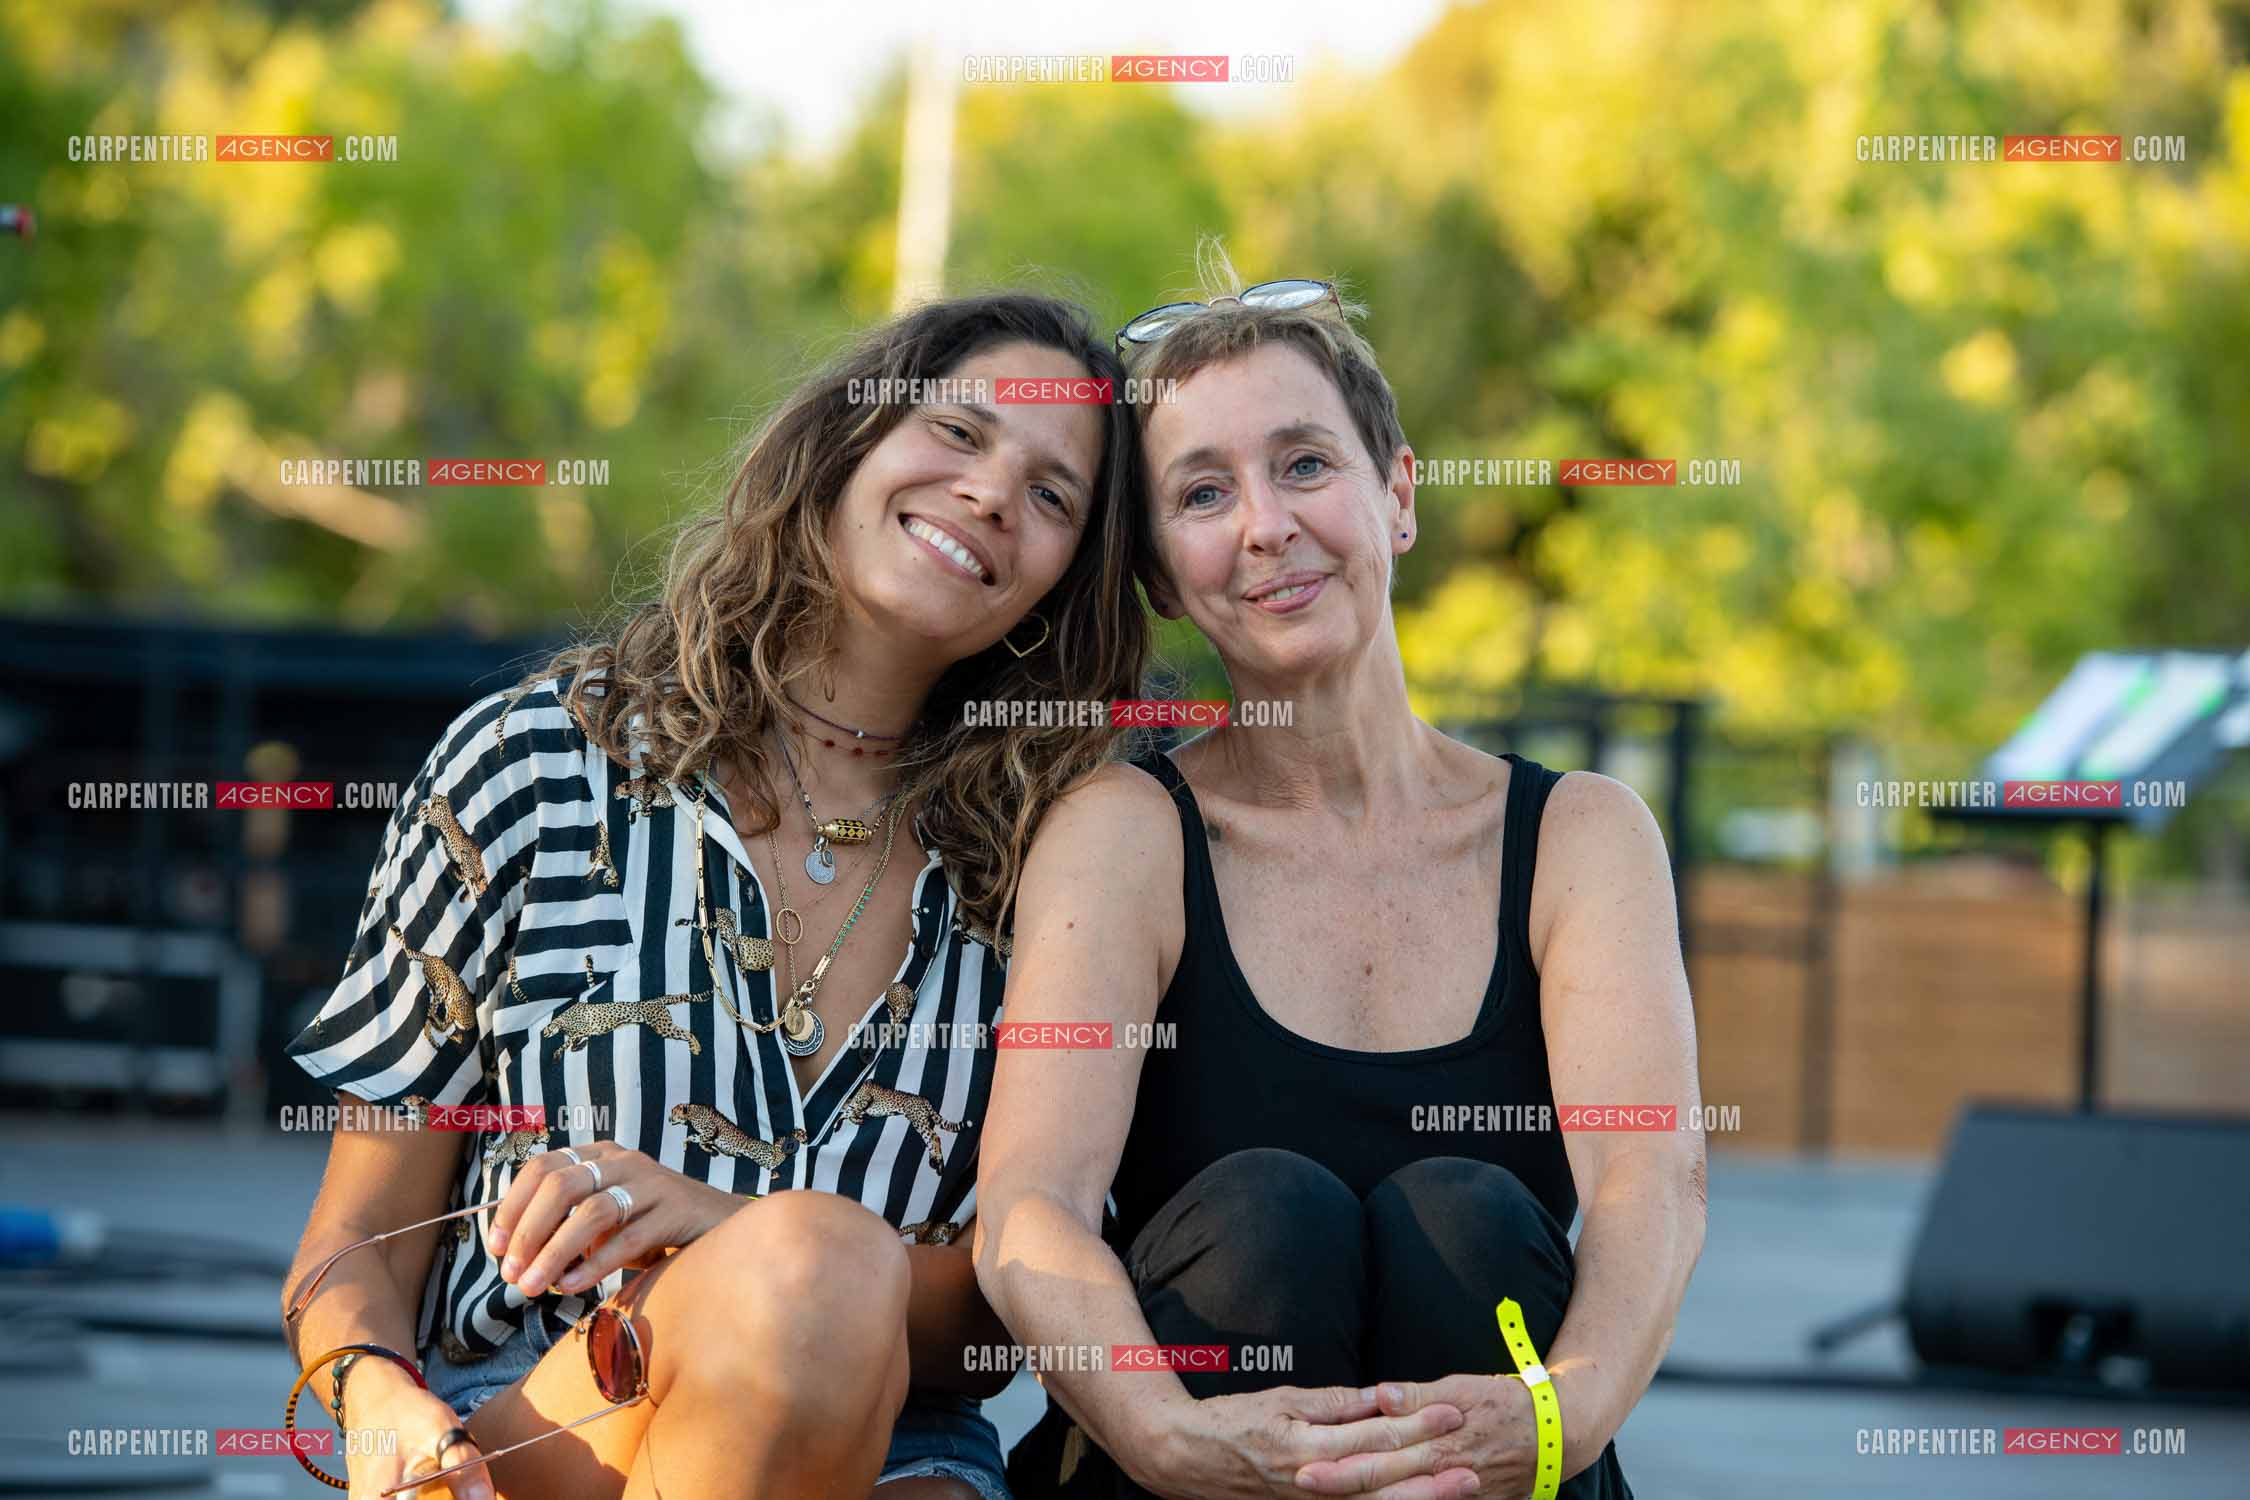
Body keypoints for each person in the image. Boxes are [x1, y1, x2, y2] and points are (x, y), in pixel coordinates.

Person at [280, 291, 1151, 1500]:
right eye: (958, 432)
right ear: (848, 441)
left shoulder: (1055, 863)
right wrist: (376, 1398)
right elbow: (349, 1247)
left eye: (1053, 493)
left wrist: (728, 1225)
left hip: (905, 1449)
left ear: (1065, 580)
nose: (995, 492)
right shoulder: (538, 765)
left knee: (823, 1277)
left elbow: (1022, 1314)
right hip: (553, 1423)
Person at [975, 260, 1706, 1500]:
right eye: (1205, 493)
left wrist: (1566, 1415)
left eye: (1305, 464)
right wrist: (1167, 1437)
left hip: (1487, 1460)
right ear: (1162, 572)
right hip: (1182, 1466)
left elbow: (1651, 1177)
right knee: (1270, 1219)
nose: (1267, 525)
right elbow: (1029, 1210)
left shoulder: (1580, 837)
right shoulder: (1124, 832)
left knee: (1466, 1222)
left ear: (1399, 494)